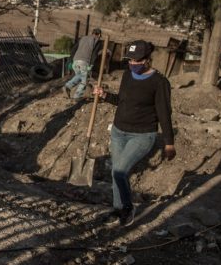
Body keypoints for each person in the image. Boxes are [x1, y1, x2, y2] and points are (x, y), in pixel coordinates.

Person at [92, 40, 176, 226]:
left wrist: (169, 142)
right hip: (118, 131)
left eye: (137, 61)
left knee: (120, 171)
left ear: (147, 60)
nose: (133, 64)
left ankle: (128, 207)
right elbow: (122, 101)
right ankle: (117, 208)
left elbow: (164, 113)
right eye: (130, 60)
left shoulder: (159, 82)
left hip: (142, 135)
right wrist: (105, 96)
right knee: (116, 171)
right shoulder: (127, 76)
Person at [64, 28, 103, 101]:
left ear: (92, 33)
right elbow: (94, 54)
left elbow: (73, 49)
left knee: (79, 76)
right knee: (84, 81)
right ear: (99, 35)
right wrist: (91, 64)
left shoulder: (82, 38)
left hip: (75, 61)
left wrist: (70, 61)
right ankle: (77, 96)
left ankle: (67, 86)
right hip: (84, 62)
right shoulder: (97, 41)